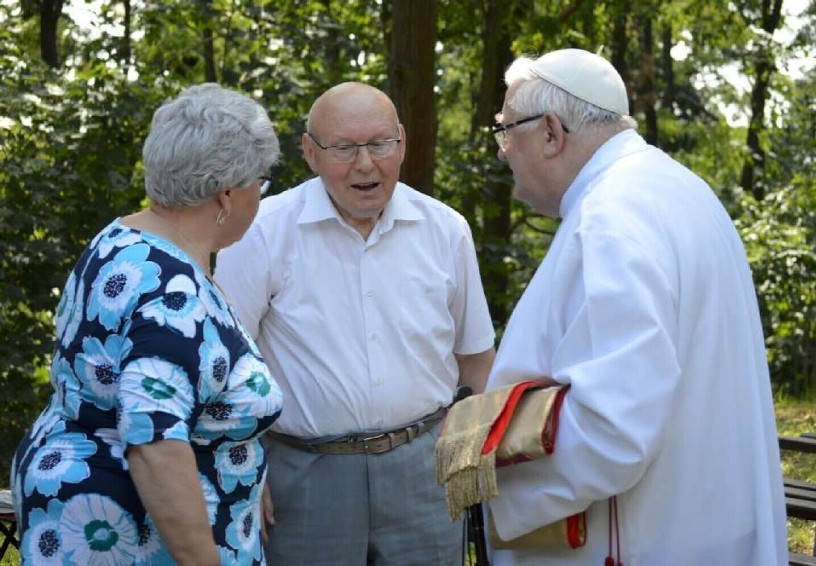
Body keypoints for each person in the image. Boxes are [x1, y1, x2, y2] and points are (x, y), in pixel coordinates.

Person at [484, 48, 788, 565]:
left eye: (507, 131)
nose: (502, 151)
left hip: (640, 539)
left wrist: (487, 467)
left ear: (551, 133)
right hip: (706, 521)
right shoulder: (679, 189)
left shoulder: (609, 217)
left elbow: (612, 431)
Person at [214, 81, 496, 565]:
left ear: (402, 143)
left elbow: (476, 360)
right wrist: (246, 475)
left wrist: (472, 466)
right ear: (309, 152)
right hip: (303, 476)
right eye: (344, 148)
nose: (365, 164)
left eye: (380, 144)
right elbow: (225, 370)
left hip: (425, 471)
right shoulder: (260, 232)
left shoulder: (446, 229)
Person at [11, 83, 284, 565]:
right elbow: (155, 441)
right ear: (226, 194)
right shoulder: (171, 297)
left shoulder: (123, 239)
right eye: (259, 183)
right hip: (134, 539)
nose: (260, 197)